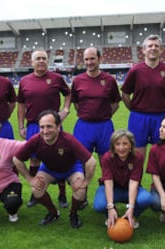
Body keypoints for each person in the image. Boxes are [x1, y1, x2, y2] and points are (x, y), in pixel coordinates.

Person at [13, 110, 96, 228]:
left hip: (71, 168)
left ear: (58, 126)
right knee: (36, 190)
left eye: (49, 126)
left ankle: (73, 214)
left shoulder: (68, 139)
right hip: (49, 169)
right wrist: (30, 179)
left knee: (81, 191)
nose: (45, 131)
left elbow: (91, 162)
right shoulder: (36, 140)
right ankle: (53, 213)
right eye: (42, 127)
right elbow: (17, 159)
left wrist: (85, 182)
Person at [17, 49, 72, 208]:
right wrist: (21, 126)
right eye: (38, 59)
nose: (41, 61)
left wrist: (66, 109)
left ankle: (62, 195)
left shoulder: (57, 78)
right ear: (32, 62)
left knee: (60, 158)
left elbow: (68, 94)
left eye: (44, 58)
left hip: (54, 126)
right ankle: (36, 193)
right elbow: (21, 105)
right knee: (34, 159)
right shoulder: (25, 81)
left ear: (47, 61)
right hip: (34, 125)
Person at [71, 47, 121, 206]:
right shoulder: (78, 80)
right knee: (81, 162)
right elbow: (76, 103)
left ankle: (109, 195)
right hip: (84, 126)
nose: (89, 62)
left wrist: (103, 115)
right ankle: (81, 195)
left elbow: (115, 103)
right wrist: (88, 115)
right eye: (86, 59)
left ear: (99, 59)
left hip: (104, 126)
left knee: (106, 161)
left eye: (92, 59)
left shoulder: (109, 80)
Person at [121, 34, 165, 157]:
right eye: (150, 46)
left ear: (161, 49)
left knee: (162, 157)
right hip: (138, 118)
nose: (153, 48)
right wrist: (133, 109)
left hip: (161, 118)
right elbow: (125, 93)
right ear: (143, 50)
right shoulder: (135, 70)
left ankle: (160, 177)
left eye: (156, 46)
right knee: (137, 159)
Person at [93, 129, 152, 229]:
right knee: (99, 205)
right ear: (113, 146)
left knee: (146, 199)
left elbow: (134, 183)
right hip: (113, 189)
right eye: (117, 144)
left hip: (129, 189)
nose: (121, 148)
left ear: (131, 145)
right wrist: (110, 207)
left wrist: (131, 208)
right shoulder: (107, 157)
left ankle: (133, 216)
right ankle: (111, 215)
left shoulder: (137, 157)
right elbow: (108, 182)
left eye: (125, 144)